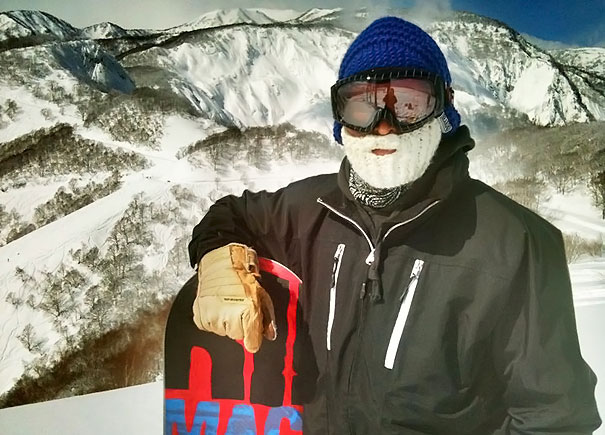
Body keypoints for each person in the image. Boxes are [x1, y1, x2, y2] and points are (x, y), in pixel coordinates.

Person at [188, 16, 601, 434]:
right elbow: (231, 215)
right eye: (362, 106)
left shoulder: (515, 244)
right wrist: (220, 259)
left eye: (407, 103)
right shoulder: (312, 209)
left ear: (443, 109)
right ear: (341, 119)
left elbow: (555, 418)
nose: (384, 125)